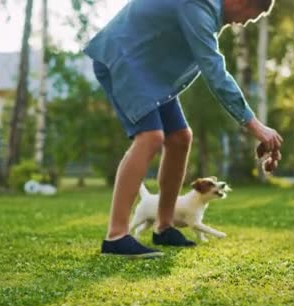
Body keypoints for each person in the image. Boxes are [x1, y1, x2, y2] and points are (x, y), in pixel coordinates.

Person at [84, 0, 283, 258]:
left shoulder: (206, 13)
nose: (245, 21)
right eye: (249, 13)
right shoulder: (197, 7)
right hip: (123, 58)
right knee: (150, 137)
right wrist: (255, 125)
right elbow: (215, 72)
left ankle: (163, 227)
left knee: (179, 138)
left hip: (149, 72)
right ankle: (116, 236)